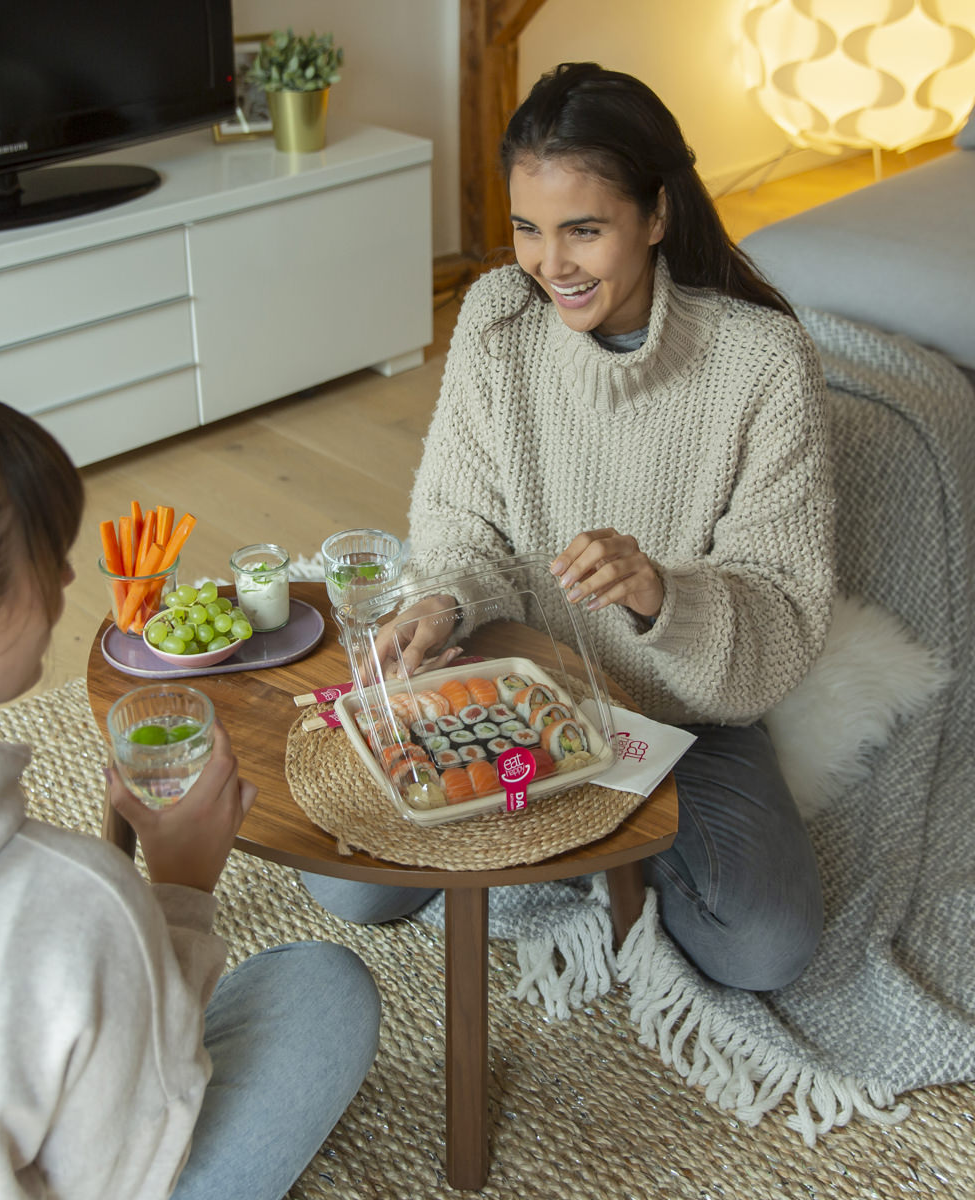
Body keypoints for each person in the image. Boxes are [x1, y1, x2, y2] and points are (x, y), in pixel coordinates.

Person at [0, 335, 380, 1198]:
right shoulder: (71, 905)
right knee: (325, 988)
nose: (68, 577)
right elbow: (124, 1171)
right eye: (47, 557)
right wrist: (176, 887)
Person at [304, 62, 834, 992]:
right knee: (352, 889)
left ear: (657, 214)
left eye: (584, 230)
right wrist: (447, 601)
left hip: (679, 715)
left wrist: (662, 594)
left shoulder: (763, 363)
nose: (551, 265)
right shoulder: (497, 321)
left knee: (767, 948)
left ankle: (600, 836)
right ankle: (584, 833)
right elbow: (462, 523)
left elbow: (785, 616)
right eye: (528, 229)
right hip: (515, 679)